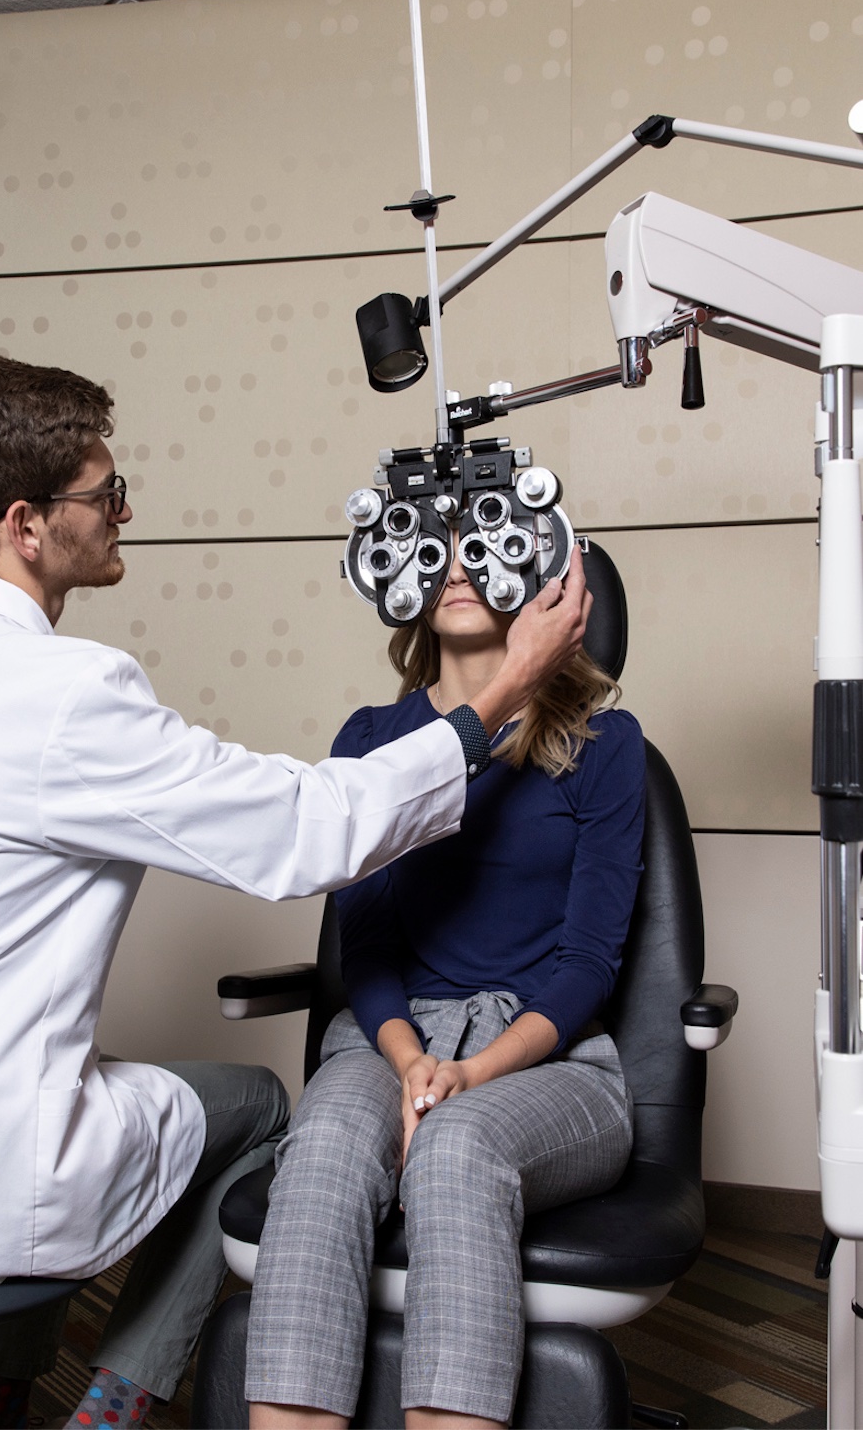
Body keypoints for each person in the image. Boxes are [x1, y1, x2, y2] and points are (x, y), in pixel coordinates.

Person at [0, 356, 591, 1430]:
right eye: (105, 495)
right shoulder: (66, 695)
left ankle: (2, 1393)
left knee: (118, 1097)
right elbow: (311, 830)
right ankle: (115, 1401)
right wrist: (505, 689)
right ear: (27, 526)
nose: (124, 513)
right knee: (261, 1106)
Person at [245, 538, 646, 1430]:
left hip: (553, 1059)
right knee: (324, 1155)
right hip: (387, 1040)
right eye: (437, 548)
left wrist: (470, 1075)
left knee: (458, 1151)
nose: (457, 567)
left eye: (483, 547)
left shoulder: (606, 745)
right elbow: (370, 947)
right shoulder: (371, 741)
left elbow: (588, 963)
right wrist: (413, 1058)